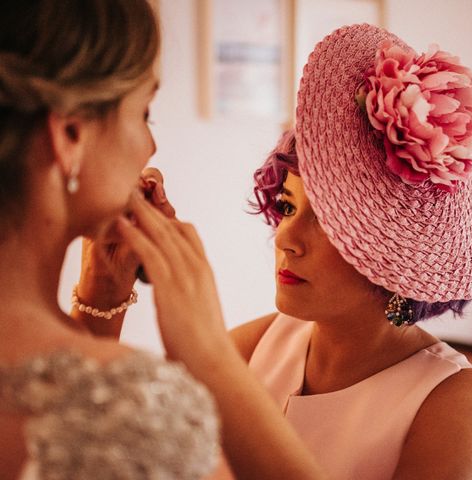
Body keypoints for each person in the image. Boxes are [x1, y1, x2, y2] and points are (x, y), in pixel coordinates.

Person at [0, 1, 327, 479]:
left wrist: (100, 300)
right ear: (71, 134)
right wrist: (211, 357)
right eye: (145, 112)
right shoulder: (131, 411)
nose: (150, 147)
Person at [213, 24, 472, 479]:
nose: (285, 239)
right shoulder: (250, 350)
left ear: (396, 252)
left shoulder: (457, 402)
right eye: (289, 206)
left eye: (329, 220)